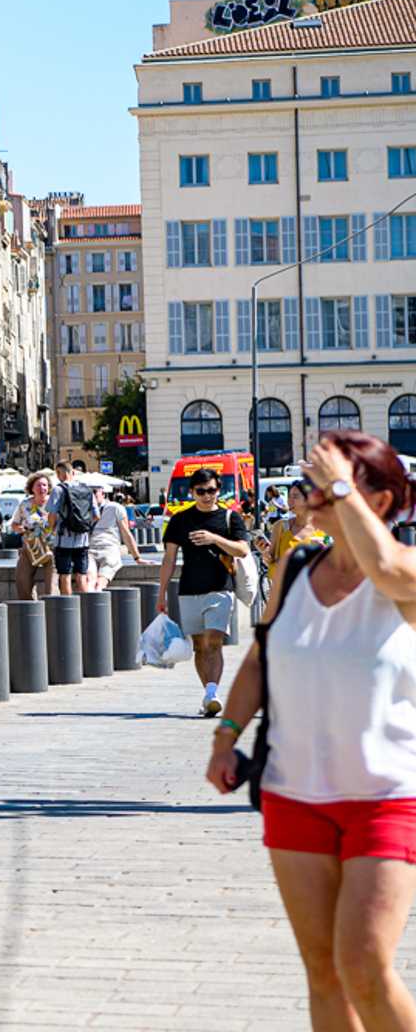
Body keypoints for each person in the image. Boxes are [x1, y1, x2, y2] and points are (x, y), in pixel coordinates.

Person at [207, 433, 416, 1031]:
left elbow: (383, 566)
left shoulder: (405, 573)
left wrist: (343, 486)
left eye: (321, 490)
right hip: (294, 795)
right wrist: (226, 737)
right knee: (324, 973)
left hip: (387, 798)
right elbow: (260, 657)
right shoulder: (298, 568)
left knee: (365, 965)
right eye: (314, 489)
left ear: (376, 500)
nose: (309, 501)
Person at [158, 465, 250, 717]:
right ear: (191, 492)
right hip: (189, 589)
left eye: (212, 490)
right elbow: (169, 559)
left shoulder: (231, 518)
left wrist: (214, 539)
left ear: (219, 490)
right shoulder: (180, 520)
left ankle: (212, 691)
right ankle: (209, 695)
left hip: (221, 588)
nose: (207, 495)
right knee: (199, 646)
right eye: (201, 491)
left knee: (213, 641)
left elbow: (242, 549)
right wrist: (161, 592)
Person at [48, 460, 102, 594]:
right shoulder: (87, 489)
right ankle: (84, 609)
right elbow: (97, 515)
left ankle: (68, 610)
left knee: (65, 576)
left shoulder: (58, 489)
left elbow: (52, 514)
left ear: (59, 473)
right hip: (83, 540)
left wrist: (52, 528)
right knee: (81, 576)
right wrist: (83, 525)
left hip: (63, 539)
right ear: (72, 472)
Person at [89, 485, 142, 586]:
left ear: (103, 494)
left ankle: (97, 595)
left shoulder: (115, 507)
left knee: (101, 581)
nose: (91, 495)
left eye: (94, 492)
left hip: (109, 549)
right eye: (88, 492)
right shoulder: (84, 510)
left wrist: (137, 557)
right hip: (90, 550)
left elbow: (126, 533)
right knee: (89, 579)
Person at [15, 472, 56, 600]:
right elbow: (15, 524)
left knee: (51, 586)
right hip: (31, 547)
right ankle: (31, 609)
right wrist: (20, 529)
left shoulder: (55, 503)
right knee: (22, 580)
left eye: (44, 485)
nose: (41, 488)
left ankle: (52, 610)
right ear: (32, 488)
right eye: (38, 485)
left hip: (51, 548)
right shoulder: (25, 504)